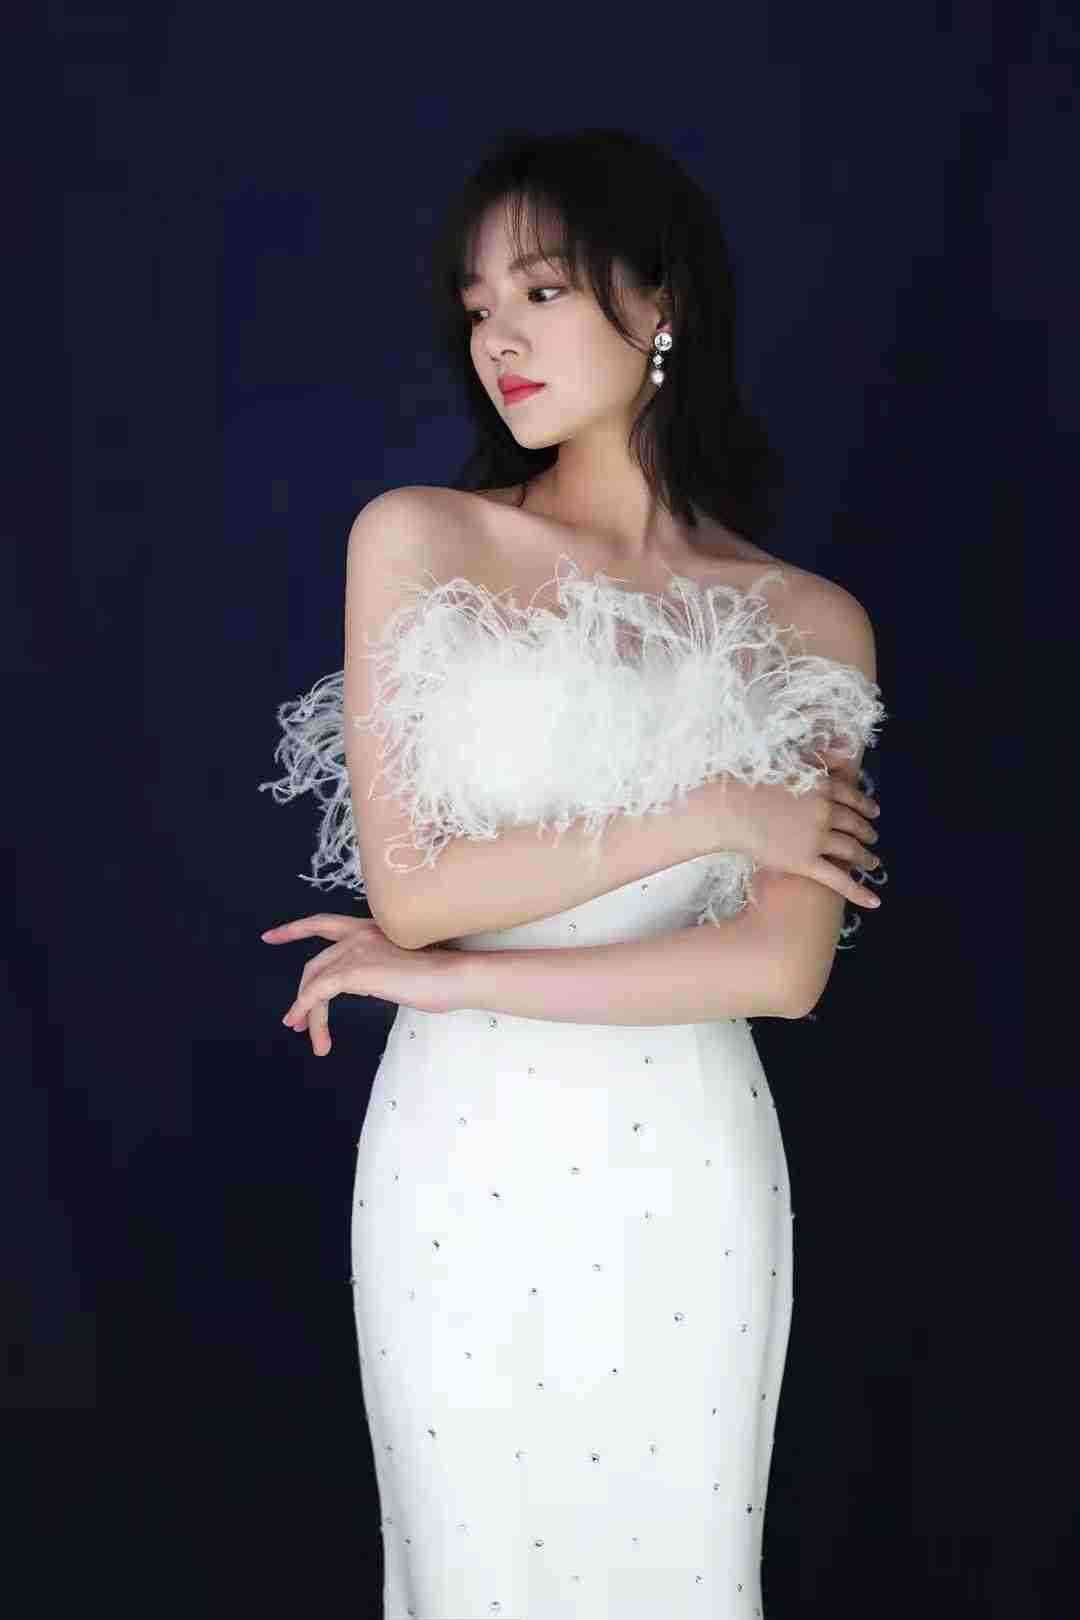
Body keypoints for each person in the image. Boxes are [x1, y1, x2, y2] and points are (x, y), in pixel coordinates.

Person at [259, 127, 887, 1619]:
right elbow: (417, 893)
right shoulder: (422, 540)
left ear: (661, 302)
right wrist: (716, 810)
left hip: (688, 1170)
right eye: (479, 308)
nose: (499, 340)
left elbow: (781, 972)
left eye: (541, 291)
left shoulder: (809, 621)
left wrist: (451, 982)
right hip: (461, 1159)